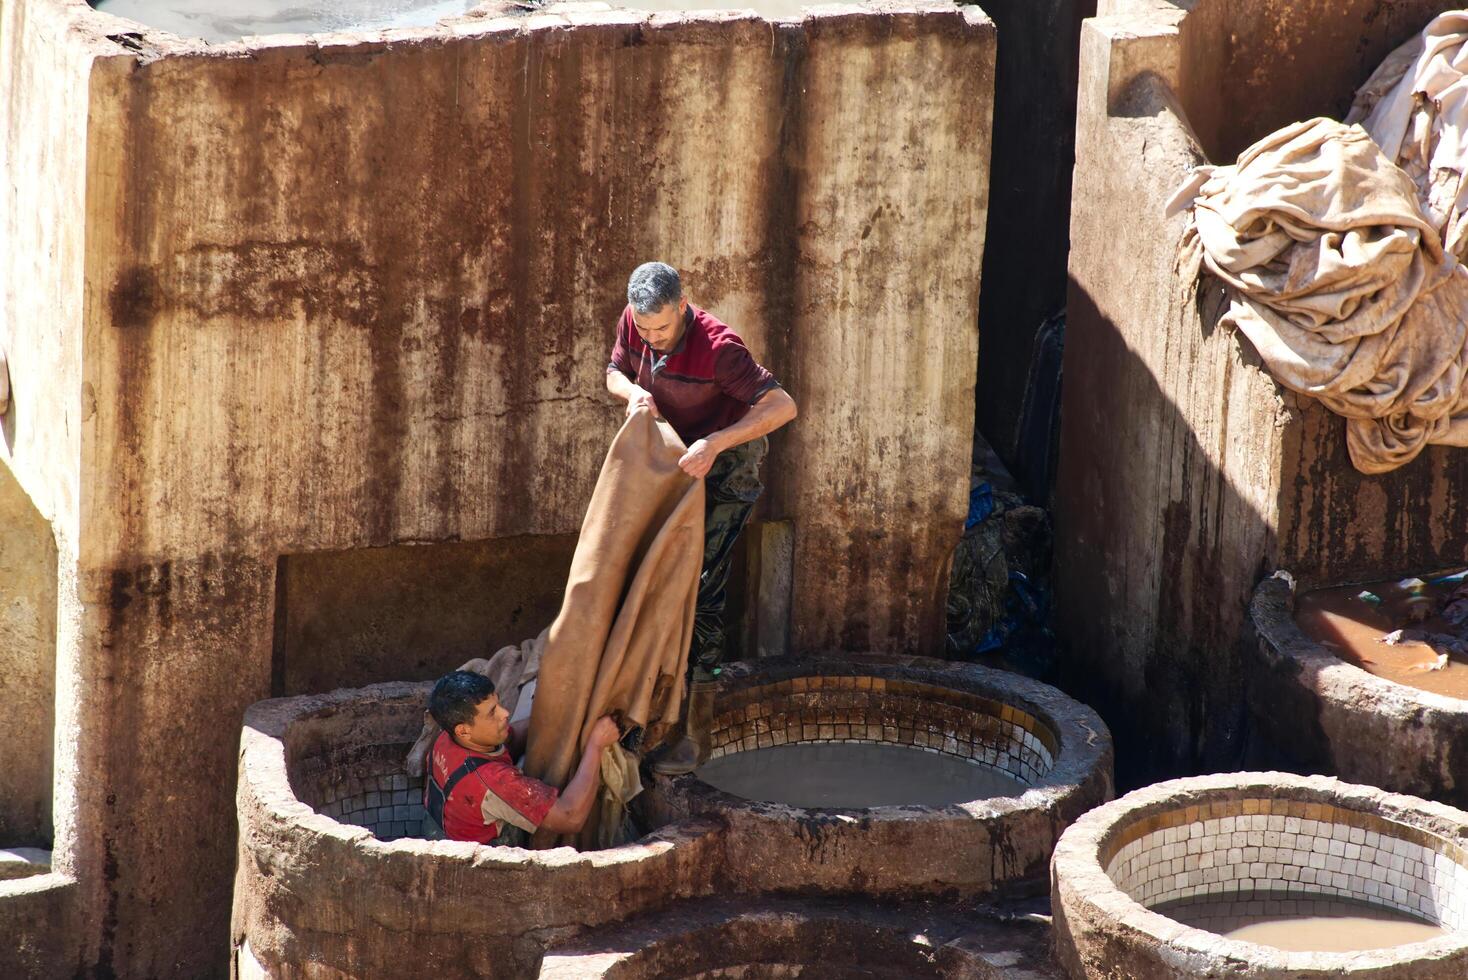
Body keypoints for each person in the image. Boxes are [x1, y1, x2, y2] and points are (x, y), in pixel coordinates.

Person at [605, 262, 798, 774]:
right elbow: (614, 372)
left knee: (704, 587)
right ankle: (641, 712)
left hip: (728, 464)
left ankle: (697, 732)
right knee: (647, 573)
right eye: (644, 330)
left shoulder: (720, 348)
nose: (653, 339)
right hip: (674, 461)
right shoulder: (635, 322)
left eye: (663, 329)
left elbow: (782, 406)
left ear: (683, 305)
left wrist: (716, 443)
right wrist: (635, 394)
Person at [422, 670, 620, 844]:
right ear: (463, 731)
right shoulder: (495, 782)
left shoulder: (446, 738)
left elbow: (513, 737)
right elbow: (570, 818)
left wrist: (562, 716)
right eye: (492, 713)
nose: (505, 713)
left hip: (441, 828)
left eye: (498, 704)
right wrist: (596, 744)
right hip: (472, 863)